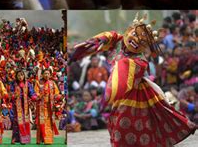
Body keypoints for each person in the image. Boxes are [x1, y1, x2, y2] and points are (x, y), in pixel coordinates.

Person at [72, 13, 197, 146]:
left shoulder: (140, 61)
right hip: (119, 96)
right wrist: (97, 41)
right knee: (116, 126)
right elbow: (111, 36)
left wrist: (106, 98)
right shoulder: (119, 41)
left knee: (127, 126)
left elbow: (123, 76)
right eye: (135, 35)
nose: (136, 40)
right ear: (129, 30)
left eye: (142, 41)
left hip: (135, 95)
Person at [10, 69, 37, 145]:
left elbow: (31, 93)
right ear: (16, 76)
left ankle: (24, 139)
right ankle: (15, 139)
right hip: (16, 106)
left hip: (25, 106)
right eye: (18, 75)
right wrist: (13, 95)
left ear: (24, 76)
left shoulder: (28, 84)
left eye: (22, 75)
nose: (20, 77)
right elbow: (11, 92)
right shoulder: (13, 83)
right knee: (17, 122)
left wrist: (34, 97)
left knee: (25, 122)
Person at [34, 68, 60, 145]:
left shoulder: (53, 83)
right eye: (45, 73)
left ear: (50, 75)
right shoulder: (38, 83)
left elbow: (57, 93)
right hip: (41, 106)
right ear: (42, 74)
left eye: (48, 73)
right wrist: (41, 95)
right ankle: (40, 139)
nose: (46, 75)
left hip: (50, 106)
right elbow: (36, 93)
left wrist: (58, 97)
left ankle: (48, 140)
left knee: (49, 123)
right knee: (41, 122)